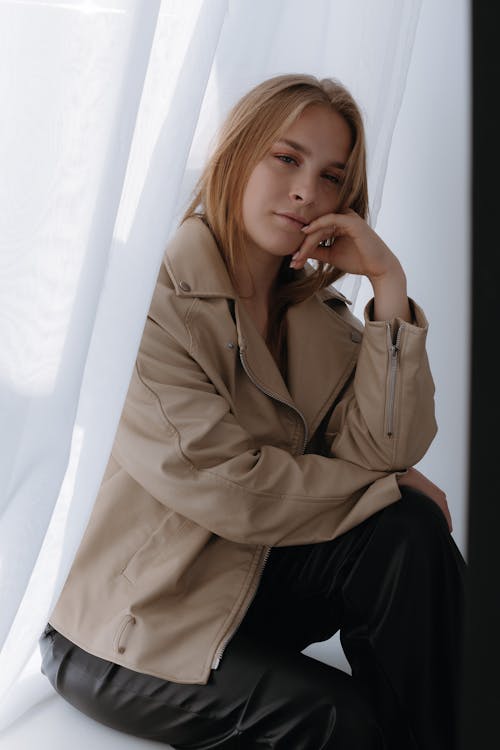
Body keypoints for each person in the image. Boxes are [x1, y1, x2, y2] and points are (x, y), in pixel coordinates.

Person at [39, 73, 466, 749]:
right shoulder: (146, 302)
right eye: (287, 158)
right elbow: (230, 488)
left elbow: (390, 453)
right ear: (235, 155)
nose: (306, 191)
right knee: (345, 723)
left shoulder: (316, 316)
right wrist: (379, 484)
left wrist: (388, 288)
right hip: (132, 629)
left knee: (408, 529)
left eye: (331, 177)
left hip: (248, 586)